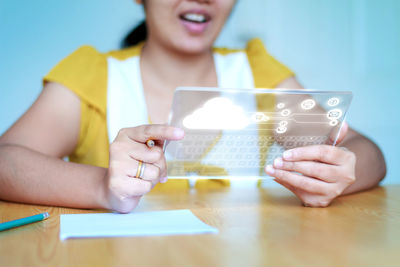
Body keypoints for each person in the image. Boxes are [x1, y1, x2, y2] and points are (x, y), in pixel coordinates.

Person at [0, 0, 386, 213]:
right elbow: (6, 162)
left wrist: (333, 175)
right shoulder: (92, 75)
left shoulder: (257, 71)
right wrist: (101, 187)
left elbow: (366, 153)